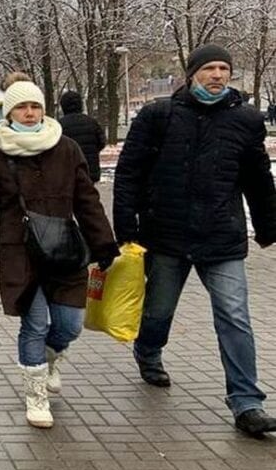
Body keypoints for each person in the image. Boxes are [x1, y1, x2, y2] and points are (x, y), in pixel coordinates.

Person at [113, 44, 276, 437]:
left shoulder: (246, 120)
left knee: (235, 317)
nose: (218, 75)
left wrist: (269, 226)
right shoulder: (159, 116)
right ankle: (148, 350)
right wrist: (126, 227)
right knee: (158, 311)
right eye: (210, 68)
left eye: (224, 68)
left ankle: (246, 402)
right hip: (167, 235)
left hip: (221, 237)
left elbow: (257, 178)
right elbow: (129, 171)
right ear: (192, 73)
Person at [0, 73, 118, 429]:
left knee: (70, 325)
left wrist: (104, 243)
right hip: (20, 254)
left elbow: (87, 201)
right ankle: (36, 395)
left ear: (44, 110)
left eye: (35, 106)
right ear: (10, 113)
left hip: (64, 250)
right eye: (21, 107)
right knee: (34, 324)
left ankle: (50, 356)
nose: (29, 113)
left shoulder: (67, 148)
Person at [58, 90, 106, 183]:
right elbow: (102, 142)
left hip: (68, 171)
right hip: (90, 169)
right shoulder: (91, 122)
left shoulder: (59, 126)